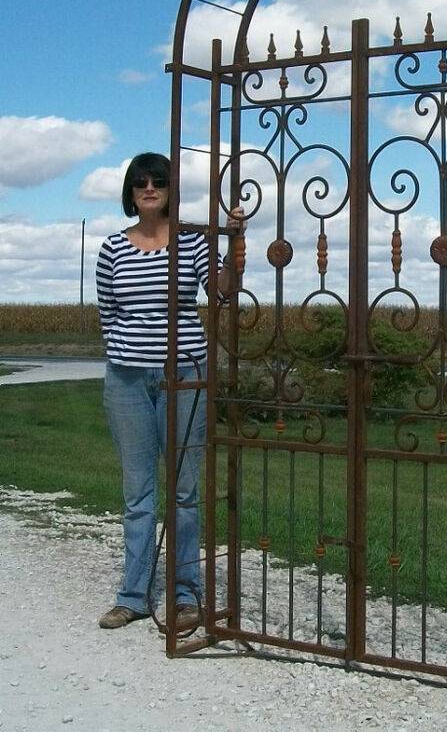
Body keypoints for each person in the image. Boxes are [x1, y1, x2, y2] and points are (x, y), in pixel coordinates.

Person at [95, 152, 240, 630]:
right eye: (141, 182)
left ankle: (184, 595)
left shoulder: (192, 242)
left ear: (172, 189)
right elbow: (109, 315)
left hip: (184, 376)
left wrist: (236, 239)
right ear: (131, 191)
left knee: (183, 491)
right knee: (137, 492)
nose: (150, 188)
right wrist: (127, 353)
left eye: (158, 180)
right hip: (128, 381)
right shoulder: (112, 248)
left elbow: (220, 289)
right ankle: (133, 596)